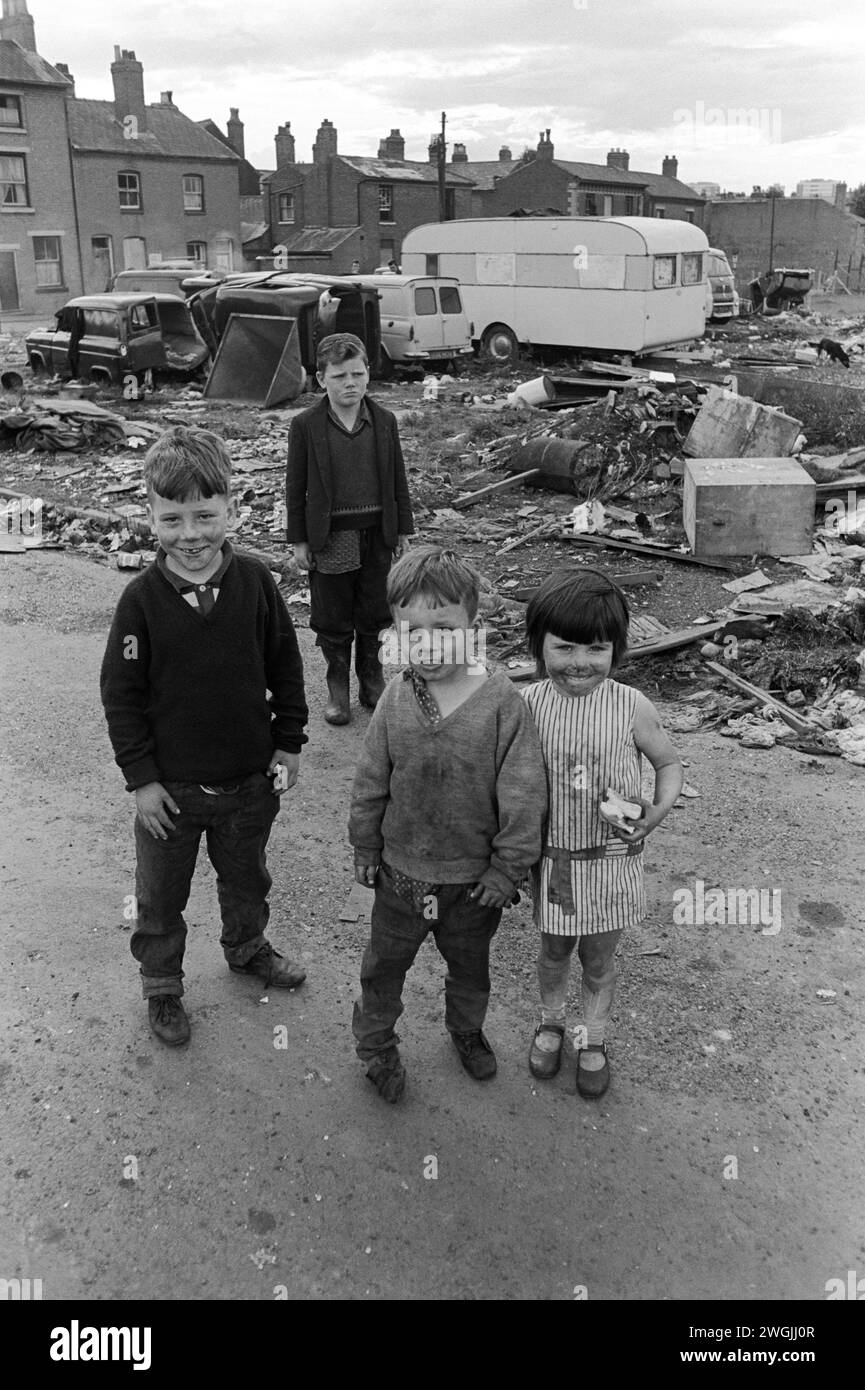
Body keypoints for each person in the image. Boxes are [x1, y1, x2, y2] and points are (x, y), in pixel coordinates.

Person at [100, 426, 309, 1047]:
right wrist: (141, 780)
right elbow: (122, 697)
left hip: (249, 782)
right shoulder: (140, 602)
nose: (190, 534)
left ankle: (247, 948)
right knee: (160, 894)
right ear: (150, 516)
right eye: (172, 519)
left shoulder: (255, 584)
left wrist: (289, 742)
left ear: (232, 510)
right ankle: (162, 985)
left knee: (247, 878)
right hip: (170, 793)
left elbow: (286, 666)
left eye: (204, 515)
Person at [349, 545, 547, 1102]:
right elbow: (370, 779)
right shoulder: (395, 698)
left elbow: (524, 794)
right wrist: (365, 846)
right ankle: (375, 1045)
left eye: (444, 627)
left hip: (471, 885)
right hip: (399, 876)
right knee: (383, 966)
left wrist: (508, 870)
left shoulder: (503, 704)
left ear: (474, 626)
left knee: (469, 967)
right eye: (411, 630)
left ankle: (466, 1030)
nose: (427, 643)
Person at [521, 568, 683, 1099]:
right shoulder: (528, 706)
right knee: (553, 951)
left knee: (598, 959)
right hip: (555, 863)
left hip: (612, 858)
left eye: (595, 648)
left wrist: (655, 813)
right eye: (564, 647)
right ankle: (551, 1022)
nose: (580, 663)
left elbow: (668, 765)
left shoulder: (631, 706)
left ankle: (593, 1037)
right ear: (538, 645)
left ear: (617, 649)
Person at [286, 332, 414, 726]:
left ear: (368, 375)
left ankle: (371, 681)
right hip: (332, 538)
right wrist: (299, 540)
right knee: (334, 618)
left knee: (374, 613)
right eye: (340, 376)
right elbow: (296, 486)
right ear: (321, 379)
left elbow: (397, 479)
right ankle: (337, 686)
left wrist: (403, 530)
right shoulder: (306, 425)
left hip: (377, 533)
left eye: (357, 374)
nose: (350, 383)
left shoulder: (383, 421)